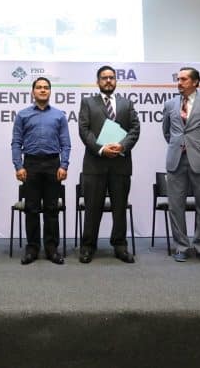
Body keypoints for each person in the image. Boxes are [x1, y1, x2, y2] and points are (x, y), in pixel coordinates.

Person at [78, 65, 140, 264]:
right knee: (92, 209)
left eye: (111, 77)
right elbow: (84, 130)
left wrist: (122, 146)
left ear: (116, 81)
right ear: (98, 82)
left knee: (119, 208)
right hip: (94, 164)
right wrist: (101, 148)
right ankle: (88, 246)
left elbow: (135, 129)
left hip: (120, 164)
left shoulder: (126, 104)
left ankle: (120, 246)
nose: (108, 81)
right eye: (104, 78)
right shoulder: (88, 102)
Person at [162, 67, 200, 263]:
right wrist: (179, 146)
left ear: (195, 82)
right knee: (175, 206)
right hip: (176, 160)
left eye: (184, 79)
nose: (179, 83)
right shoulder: (170, 104)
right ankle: (181, 246)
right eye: (178, 79)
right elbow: (167, 132)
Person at [11, 77, 71, 265]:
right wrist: (19, 166)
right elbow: (16, 143)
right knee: (31, 209)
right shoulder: (23, 115)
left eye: (46, 87)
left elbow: (66, 144)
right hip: (31, 164)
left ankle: (52, 248)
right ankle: (32, 248)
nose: (43, 90)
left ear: (50, 91)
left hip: (53, 164)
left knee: (52, 209)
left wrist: (64, 165)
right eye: (39, 87)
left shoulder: (59, 115)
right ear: (33, 92)